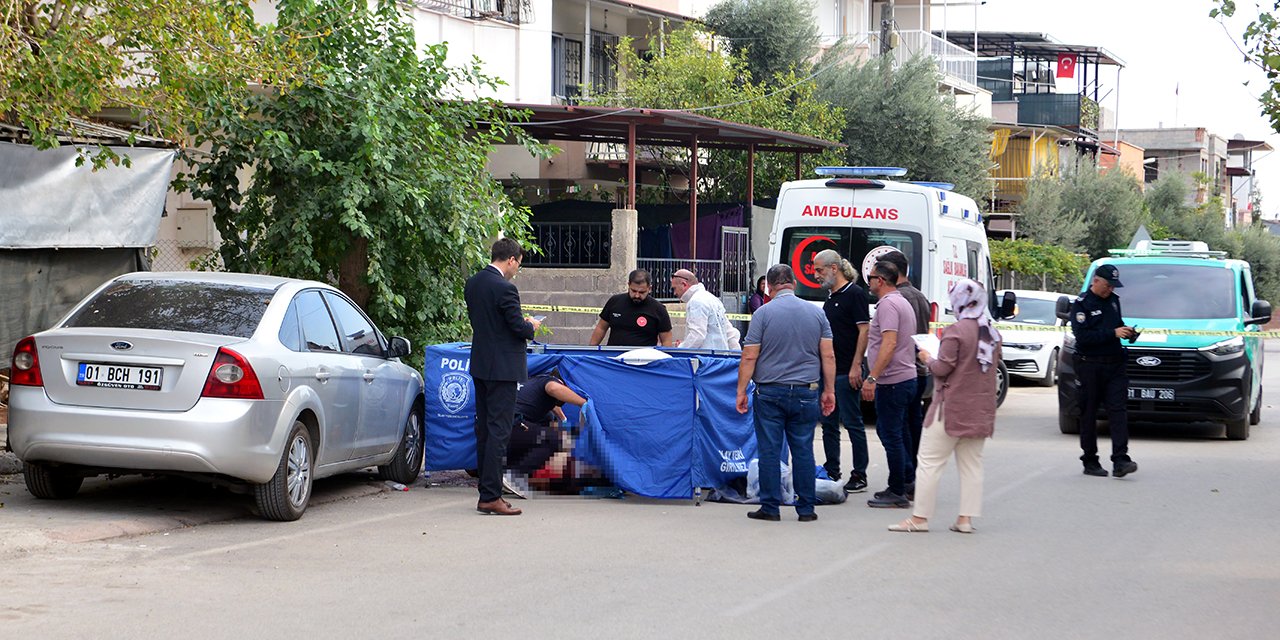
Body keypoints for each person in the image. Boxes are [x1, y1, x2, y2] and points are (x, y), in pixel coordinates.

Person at [889, 279, 1000, 534]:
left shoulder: (956, 332)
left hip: (950, 410)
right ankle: (965, 520)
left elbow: (943, 368)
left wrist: (927, 357)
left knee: (929, 462)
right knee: (972, 465)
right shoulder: (992, 333)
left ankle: (920, 519)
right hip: (980, 410)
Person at [736, 264, 836, 522]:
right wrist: (830, 391)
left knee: (769, 450)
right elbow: (828, 354)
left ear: (769, 287)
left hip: (770, 392)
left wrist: (741, 391)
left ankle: (770, 507)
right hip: (806, 392)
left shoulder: (763, 313)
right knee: (803, 449)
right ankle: (806, 508)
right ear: (793, 283)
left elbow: (749, 355)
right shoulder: (817, 314)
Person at [464, 237, 541, 516]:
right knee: (499, 431)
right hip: (503, 369)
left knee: (485, 429)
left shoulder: (473, 283)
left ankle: (487, 491)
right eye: (518, 264)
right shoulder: (505, 288)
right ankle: (491, 496)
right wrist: (530, 325)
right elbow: (516, 328)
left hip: (482, 365)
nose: (516, 269)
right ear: (511, 260)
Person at [1070, 264, 1139, 478]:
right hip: (1090, 364)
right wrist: (1112, 333)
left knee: (1118, 411)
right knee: (1089, 413)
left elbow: (1116, 325)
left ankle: (1121, 460)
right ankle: (1090, 460)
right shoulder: (1082, 305)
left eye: (1113, 286)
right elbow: (1083, 338)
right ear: (1096, 281)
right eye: (1107, 285)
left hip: (1115, 365)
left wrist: (1128, 332)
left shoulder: (1114, 301)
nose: (1110, 289)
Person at [811, 249, 871, 492]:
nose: (816, 275)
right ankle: (832, 468)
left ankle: (860, 473)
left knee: (853, 422)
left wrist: (857, 365)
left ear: (834, 268)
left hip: (847, 370)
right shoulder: (830, 295)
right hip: (829, 371)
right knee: (828, 423)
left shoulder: (854, 294)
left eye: (819, 270)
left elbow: (864, 331)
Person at [861, 260, 918, 509]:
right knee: (900, 433)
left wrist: (872, 377)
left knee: (891, 434)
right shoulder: (901, 301)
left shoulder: (888, 305)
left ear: (880, 281)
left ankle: (897, 490)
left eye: (871, 278)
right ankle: (906, 480)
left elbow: (889, 343)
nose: (869, 282)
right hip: (904, 378)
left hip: (893, 380)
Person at [883, 250, 932, 496]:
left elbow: (894, 340)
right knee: (913, 425)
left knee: (898, 428)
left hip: (902, 370)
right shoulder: (920, 297)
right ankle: (912, 477)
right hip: (919, 371)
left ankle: (905, 478)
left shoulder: (897, 298)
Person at [504, 369, 588, 498]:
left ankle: (502, 478)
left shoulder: (531, 384)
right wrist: (583, 403)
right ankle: (515, 476)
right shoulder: (549, 381)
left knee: (540, 432)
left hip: (495, 428)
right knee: (554, 439)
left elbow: (552, 407)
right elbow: (554, 388)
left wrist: (563, 419)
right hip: (513, 425)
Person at [588, 269, 673, 347]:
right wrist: (590, 351)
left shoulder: (658, 309)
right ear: (628, 285)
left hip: (644, 360)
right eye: (633, 291)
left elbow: (666, 340)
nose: (637, 295)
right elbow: (601, 328)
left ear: (649, 288)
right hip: (615, 358)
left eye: (642, 292)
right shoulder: (615, 302)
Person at [671, 268, 741, 350]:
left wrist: (680, 349)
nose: (674, 293)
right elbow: (730, 332)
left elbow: (697, 336)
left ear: (684, 284)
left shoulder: (696, 301)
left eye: (674, 288)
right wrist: (736, 354)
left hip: (705, 359)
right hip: (720, 357)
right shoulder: (713, 299)